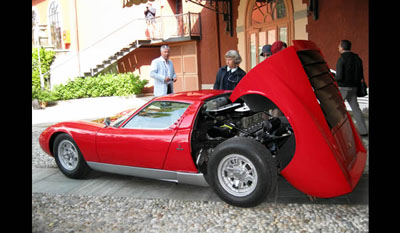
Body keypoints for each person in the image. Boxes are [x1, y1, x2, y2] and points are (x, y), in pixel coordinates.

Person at [335, 40, 368, 136]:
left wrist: (334, 77)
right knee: (356, 109)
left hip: (343, 88)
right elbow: (361, 73)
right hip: (354, 87)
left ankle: (336, 132)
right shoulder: (357, 58)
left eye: (339, 46)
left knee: (336, 109)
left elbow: (339, 76)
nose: (338, 47)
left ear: (342, 47)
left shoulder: (341, 59)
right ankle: (363, 130)